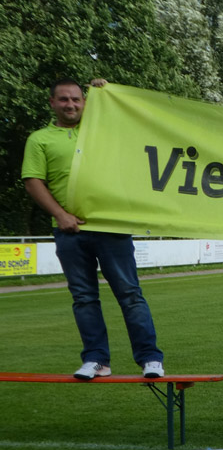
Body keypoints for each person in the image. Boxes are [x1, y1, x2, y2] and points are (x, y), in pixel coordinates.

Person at [22, 78, 164, 380]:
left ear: (85, 102)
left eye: (76, 99)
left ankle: (150, 358)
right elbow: (33, 181)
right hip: (70, 231)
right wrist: (60, 215)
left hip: (111, 226)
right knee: (84, 298)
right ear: (52, 103)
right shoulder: (40, 139)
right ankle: (97, 360)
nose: (70, 104)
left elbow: (136, 125)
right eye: (63, 100)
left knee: (130, 294)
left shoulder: (102, 130)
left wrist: (108, 92)